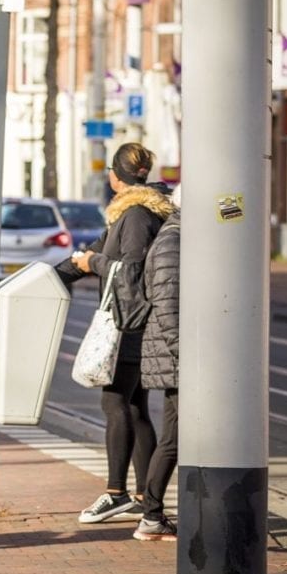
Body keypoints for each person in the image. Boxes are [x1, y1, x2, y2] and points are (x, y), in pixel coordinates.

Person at [66, 142, 173, 525]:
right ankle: (145, 495)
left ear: (116, 177)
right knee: (133, 406)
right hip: (136, 321)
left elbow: (128, 270)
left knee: (115, 404)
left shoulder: (136, 216)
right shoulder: (132, 213)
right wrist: (58, 273)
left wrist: (92, 262)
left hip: (132, 323)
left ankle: (116, 493)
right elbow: (92, 251)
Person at [134, 187, 182, 540]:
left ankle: (151, 515)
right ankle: (150, 516)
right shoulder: (173, 242)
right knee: (175, 438)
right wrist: (183, 351)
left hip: (173, 355)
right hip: (175, 356)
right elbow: (167, 303)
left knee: (175, 437)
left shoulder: (178, 237)